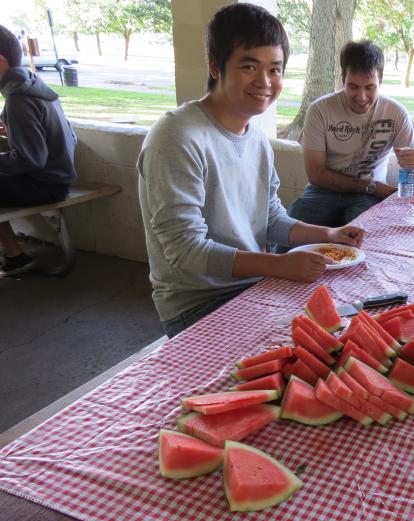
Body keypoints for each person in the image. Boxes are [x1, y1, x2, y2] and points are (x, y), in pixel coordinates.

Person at [138, 4, 364, 338]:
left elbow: (269, 218)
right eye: (249, 66)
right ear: (216, 67)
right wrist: (280, 265)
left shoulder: (257, 140)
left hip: (254, 287)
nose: (265, 81)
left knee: (352, 327)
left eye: (275, 69)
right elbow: (185, 249)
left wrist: (328, 234)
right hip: (198, 305)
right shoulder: (177, 137)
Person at [287, 40, 414, 228]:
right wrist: (372, 186)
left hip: (366, 198)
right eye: (353, 87)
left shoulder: (396, 113)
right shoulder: (319, 109)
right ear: (342, 79)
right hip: (322, 192)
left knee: (361, 235)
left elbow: (412, 178)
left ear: (380, 82)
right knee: (295, 222)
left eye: (369, 87)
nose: (361, 97)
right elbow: (316, 174)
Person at [0, 24, 77, 277]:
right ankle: (13, 254)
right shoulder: (30, 83)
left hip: (47, 184)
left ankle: (14, 255)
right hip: (57, 177)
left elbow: (31, 159)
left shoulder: (17, 99)